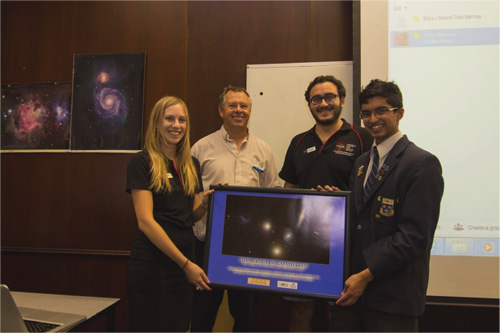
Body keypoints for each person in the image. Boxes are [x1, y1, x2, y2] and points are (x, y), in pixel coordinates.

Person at [326, 79, 444, 331]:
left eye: (381, 111)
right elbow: (361, 221)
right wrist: (335, 204)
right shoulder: (361, 163)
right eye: (366, 113)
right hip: (353, 292)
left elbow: (414, 237)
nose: (372, 119)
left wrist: (365, 276)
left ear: (399, 113)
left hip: (392, 297)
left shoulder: (421, 164)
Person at [279, 75, 373, 332]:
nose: (323, 103)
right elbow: (289, 191)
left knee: (339, 312)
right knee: (299, 311)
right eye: (316, 99)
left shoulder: (362, 137)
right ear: (309, 104)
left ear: (342, 100)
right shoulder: (298, 142)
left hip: (346, 244)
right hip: (303, 243)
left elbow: (373, 191)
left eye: (329, 97)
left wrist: (344, 197)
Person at [190, 85, 282, 332]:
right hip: (208, 247)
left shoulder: (263, 150)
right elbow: (189, 198)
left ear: (250, 111)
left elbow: (273, 195)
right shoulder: (200, 148)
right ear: (221, 110)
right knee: (202, 315)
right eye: (233, 105)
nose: (239, 110)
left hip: (249, 249)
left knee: (246, 317)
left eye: (244, 106)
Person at [126, 96, 213, 332]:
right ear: (157, 122)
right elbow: (145, 222)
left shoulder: (191, 163)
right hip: (152, 265)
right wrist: (186, 264)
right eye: (170, 119)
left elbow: (191, 217)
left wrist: (204, 205)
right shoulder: (141, 162)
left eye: (182, 120)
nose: (177, 125)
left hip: (184, 264)